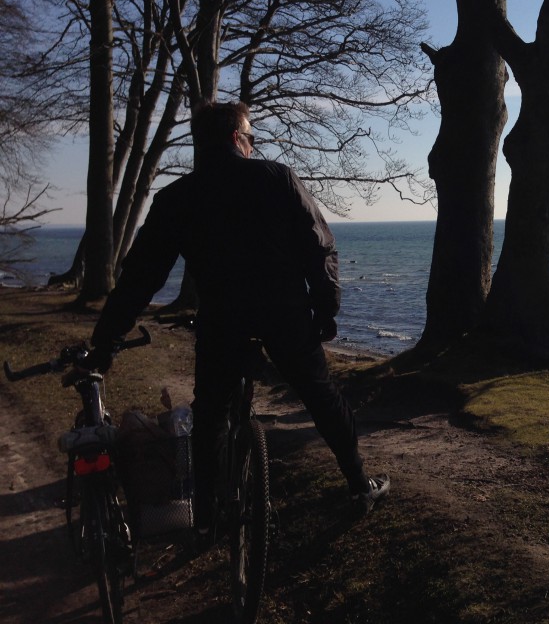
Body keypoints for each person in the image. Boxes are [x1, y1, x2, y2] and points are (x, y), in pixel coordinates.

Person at [86, 100, 389, 523]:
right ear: (236, 138)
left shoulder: (177, 197)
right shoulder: (277, 177)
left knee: (211, 412)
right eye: (250, 138)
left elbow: (141, 277)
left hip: (222, 321)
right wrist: (326, 307)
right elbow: (318, 246)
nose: (252, 145)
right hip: (285, 315)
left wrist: (107, 339)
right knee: (320, 394)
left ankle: (208, 517)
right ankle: (359, 483)